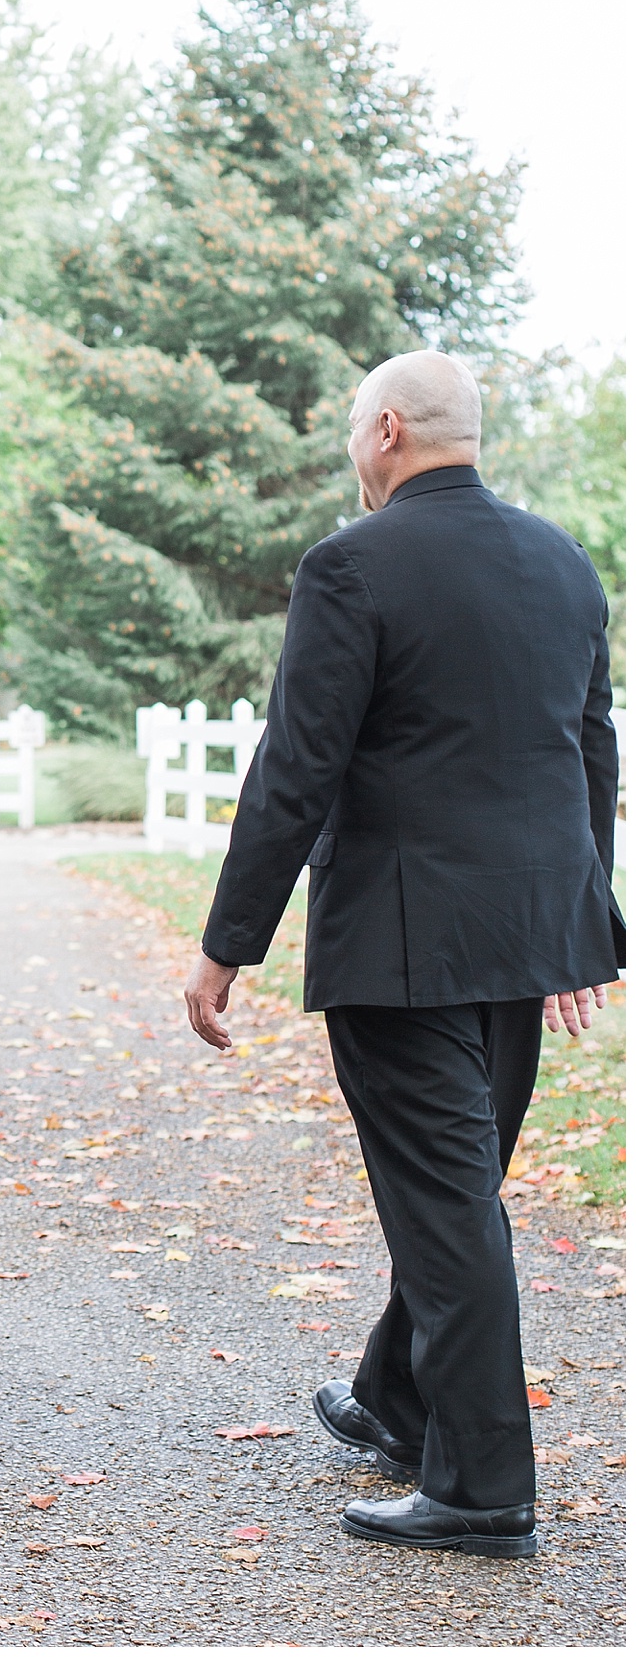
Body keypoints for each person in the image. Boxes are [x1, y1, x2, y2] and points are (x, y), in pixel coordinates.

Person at [182, 350, 623, 1559]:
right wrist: (581, 921)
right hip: (524, 937)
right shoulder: (564, 560)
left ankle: (483, 1490)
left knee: (445, 1205)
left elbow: (297, 766)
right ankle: (398, 1396)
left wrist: (229, 945)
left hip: (402, 941)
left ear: (385, 430)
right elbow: (588, 754)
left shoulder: (353, 562)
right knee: (458, 1194)